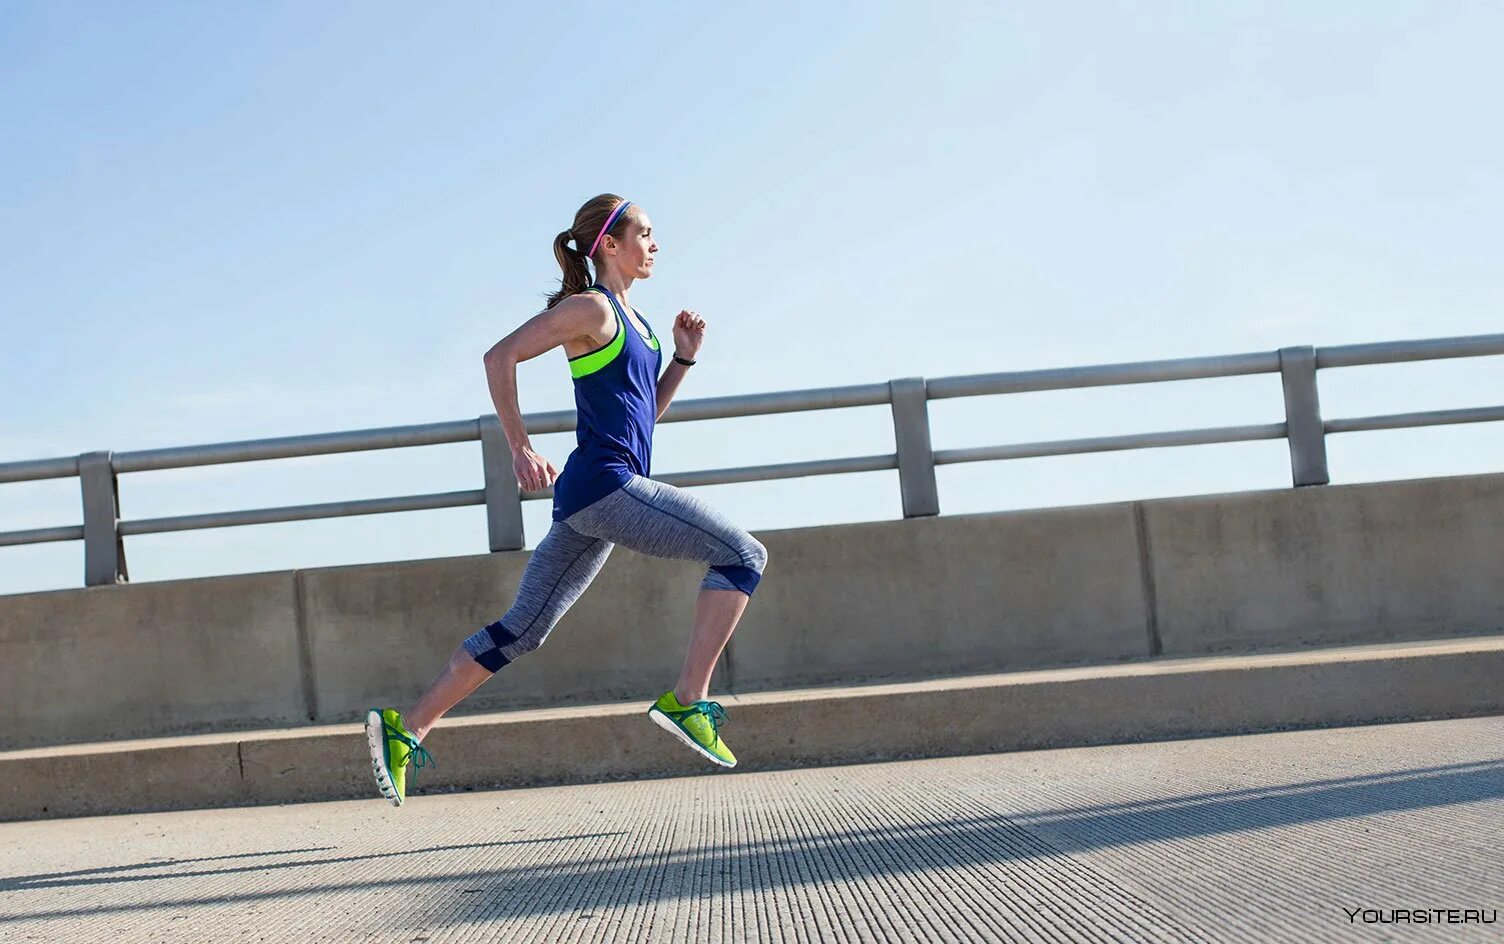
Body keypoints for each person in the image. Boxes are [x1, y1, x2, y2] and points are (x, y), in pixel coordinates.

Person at [364, 194, 769, 806]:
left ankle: (405, 729)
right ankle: (688, 701)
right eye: (646, 233)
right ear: (610, 243)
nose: (655, 244)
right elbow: (499, 356)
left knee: (522, 630)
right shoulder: (590, 309)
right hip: (606, 487)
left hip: (597, 495)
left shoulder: (640, 325)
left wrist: (682, 359)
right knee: (743, 555)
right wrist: (520, 447)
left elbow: (642, 420)